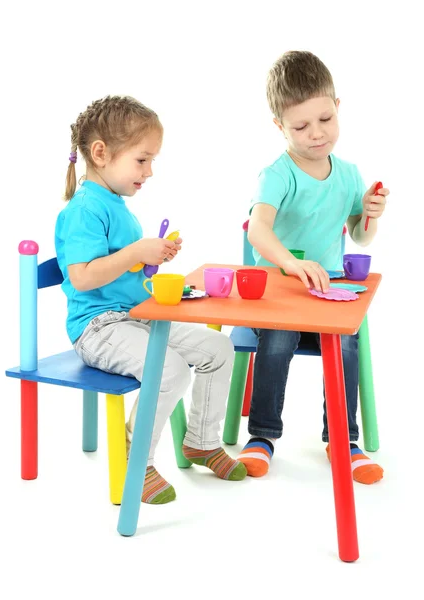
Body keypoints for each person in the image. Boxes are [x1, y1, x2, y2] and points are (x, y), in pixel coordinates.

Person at [55, 95, 247, 504]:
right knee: (169, 369)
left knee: (218, 347)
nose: (150, 171)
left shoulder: (116, 205)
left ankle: (200, 441)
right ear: (101, 153)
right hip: (98, 328)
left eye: (152, 161)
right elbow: (82, 277)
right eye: (142, 160)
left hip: (135, 317)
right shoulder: (85, 209)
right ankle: (134, 463)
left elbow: (121, 272)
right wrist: (133, 253)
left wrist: (150, 261)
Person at [237, 52, 388, 484]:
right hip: (278, 298)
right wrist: (288, 265)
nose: (316, 134)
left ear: (337, 107)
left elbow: (360, 236)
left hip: (327, 294)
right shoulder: (277, 175)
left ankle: (343, 439)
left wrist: (370, 212)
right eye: (301, 127)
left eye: (324, 119)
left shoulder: (348, 174)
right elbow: (258, 232)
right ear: (279, 127)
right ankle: (262, 436)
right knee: (278, 342)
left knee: (344, 344)